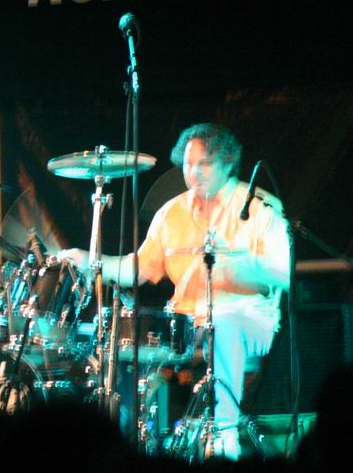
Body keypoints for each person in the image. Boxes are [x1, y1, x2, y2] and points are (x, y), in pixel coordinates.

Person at [59, 123, 290, 460]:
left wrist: (234, 267)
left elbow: (282, 274)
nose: (194, 172)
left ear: (228, 163)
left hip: (249, 321)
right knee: (121, 341)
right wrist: (91, 261)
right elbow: (139, 269)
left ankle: (223, 436)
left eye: (204, 164)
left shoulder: (259, 208)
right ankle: (129, 442)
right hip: (185, 325)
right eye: (188, 164)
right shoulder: (172, 213)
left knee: (224, 320)